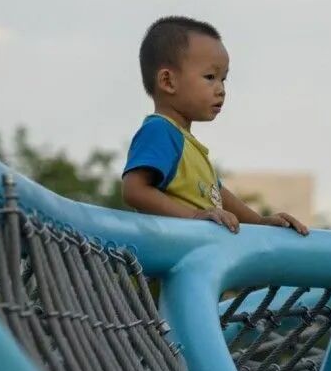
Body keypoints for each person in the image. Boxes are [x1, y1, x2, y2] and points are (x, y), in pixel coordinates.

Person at [121, 15, 309, 234]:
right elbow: (134, 190)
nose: (221, 89)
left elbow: (218, 195)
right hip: (171, 253)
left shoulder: (187, 144)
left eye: (223, 79)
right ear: (168, 81)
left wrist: (259, 222)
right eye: (210, 77)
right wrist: (193, 216)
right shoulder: (160, 131)